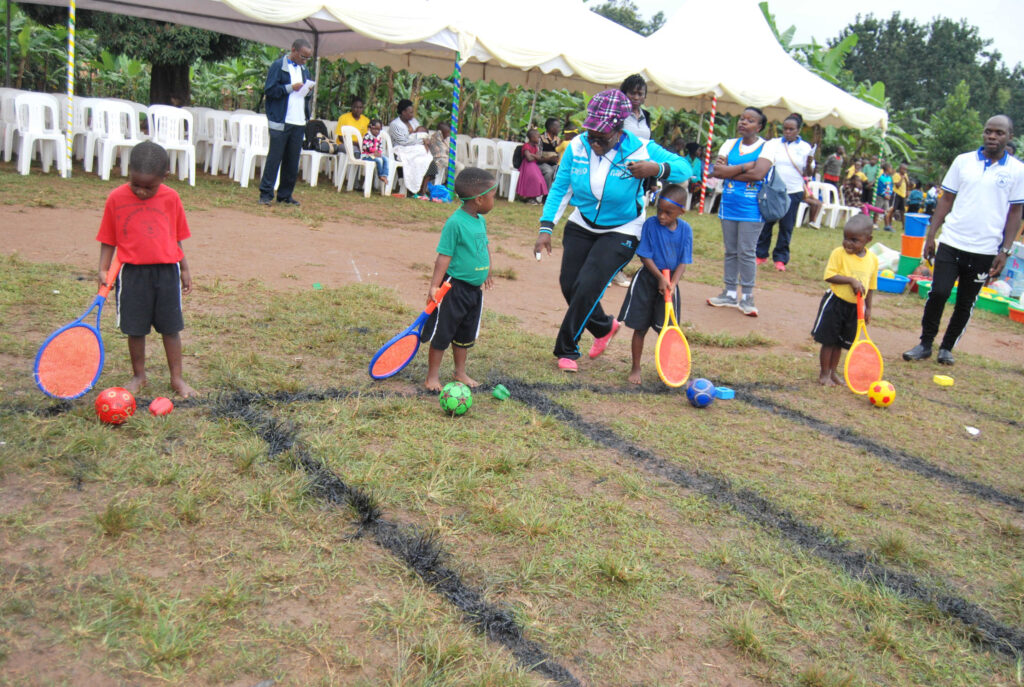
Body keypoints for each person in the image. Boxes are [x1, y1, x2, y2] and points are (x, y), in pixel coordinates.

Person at [533, 89, 692, 372]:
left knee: (588, 285)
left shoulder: (641, 148)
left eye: (601, 137)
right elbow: (560, 188)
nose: (594, 142)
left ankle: (566, 348)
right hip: (582, 223)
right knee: (570, 285)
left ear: (618, 130)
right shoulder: (577, 147)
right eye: (591, 134)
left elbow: (685, 169)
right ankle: (605, 327)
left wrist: (656, 168)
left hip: (623, 228)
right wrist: (547, 227)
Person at [903, 114, 1024, 366]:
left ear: (1009, 136)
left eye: (999, 133)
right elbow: (946, 199)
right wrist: (931, 234)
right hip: (952, 241)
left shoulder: (1017, 171)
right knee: (938, 292)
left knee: (966, 302)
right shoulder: (963, 161)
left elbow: (1015, 213)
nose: (992, 136)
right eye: (988, 131)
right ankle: (925, 343)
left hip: (986, 248)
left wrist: (1005, 250)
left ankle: (946, 348)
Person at [95, 142, 196, 398]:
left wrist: (184, 268)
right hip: (132, 275)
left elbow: (176, 236)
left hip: (167, 273)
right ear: (128, 172)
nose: (140, 191)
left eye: (148, 187)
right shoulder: (116, 198)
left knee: (171, 328)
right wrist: (103, 268)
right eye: (135, 184)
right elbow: (108, 238)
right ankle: (139, 376)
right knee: (135, 329)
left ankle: (177, 379)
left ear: (165, 177)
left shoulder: (171, 198)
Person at [421, 167, 497, 391]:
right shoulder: (455, 223)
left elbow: (484, 247)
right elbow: (443, 257)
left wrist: (488, 270)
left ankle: (460, 372)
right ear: (479, 199)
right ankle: (432, 376)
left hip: (474, 291)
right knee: (443, 332)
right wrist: (434, 286)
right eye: (493, 197)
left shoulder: (479, 220)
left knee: (465, 333)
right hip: (452, 288)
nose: (495, 201)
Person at [617, 184, 693, 385]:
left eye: (668, 213)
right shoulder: (650, 225)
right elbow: (644, 255)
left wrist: (673, 282)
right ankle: (636, 366)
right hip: (647, 280)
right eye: (659, 210)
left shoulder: (686, 230)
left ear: (681, 212)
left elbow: (684, 260)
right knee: (639, 328)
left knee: (667, 330)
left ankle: (667, 367)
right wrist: (660, 277)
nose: (662, 216)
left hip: (670, 285)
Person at [706, 106, 772, 316]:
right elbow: (717, 171)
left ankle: (747, 296)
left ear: (759, 126)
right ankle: (730, 292)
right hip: (729, 205)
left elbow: (760, 174)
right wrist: (746, 167)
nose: (744, 123)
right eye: (742, 119)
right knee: (731, 250)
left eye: (750, 120)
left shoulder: (766, 147)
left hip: (752, 208)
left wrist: (730, 172)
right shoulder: (729, 144)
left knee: (747, 251)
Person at [811, 215, 877, 386]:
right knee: (829, 340)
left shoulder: (873, 260)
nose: (848, 243)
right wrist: (851, 280)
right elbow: (829, 275)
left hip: (855, 307)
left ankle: (833, 373)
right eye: (845, 238)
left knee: (840, 342)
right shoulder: (838, 254)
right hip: (835, 303)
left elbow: (870, 287)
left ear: (868, 240)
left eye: (854, 240)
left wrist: (868, 309)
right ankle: (824, 374)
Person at [757, 113, 818, 272]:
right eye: (785, 129)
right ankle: (761, 254)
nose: (788, 132)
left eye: (791, 129)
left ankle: (780, 259)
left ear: (798, 130)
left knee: (786, 226)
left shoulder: (805, 147)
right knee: (767, 222)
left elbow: (809, 172)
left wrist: (810, 163)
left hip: (794, 190)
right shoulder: (773, 143)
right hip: (773, 189)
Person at [259, 38, 313, 207]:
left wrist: (307, 90)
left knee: (292, 161)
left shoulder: (305, 70)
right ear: (293, 50)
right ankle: (266, 194)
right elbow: (270, 90)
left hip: (298, 121)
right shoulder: (278, 66)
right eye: (303, 56)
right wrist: (290, 87)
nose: (304, 61)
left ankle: (285, 195)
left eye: (307, 58)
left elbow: (305, 96)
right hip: (281, 121)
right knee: (274, 159)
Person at [388, 98, 436, 198]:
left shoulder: (414, 122)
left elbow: (422, 133)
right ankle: (413, 189)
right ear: (403, 112)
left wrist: (424, 140)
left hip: (415, 150)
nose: (412, 115)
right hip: (401, 150)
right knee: (420, 160)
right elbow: (403, 142)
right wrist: (422, 141)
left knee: (428, 160)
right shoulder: (395, 125)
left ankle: (422, 190)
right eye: (410, 112)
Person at [516, 128, 548, 203]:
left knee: (540, 179)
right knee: (534, 178)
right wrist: (534, 156)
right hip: (527, 165)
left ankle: (533, 197)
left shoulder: (536, 147)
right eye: (538, 137)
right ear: (532, 137)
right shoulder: (526, 146)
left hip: (534, 166)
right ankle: (528, 197)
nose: (539, 138)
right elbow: (529, 158)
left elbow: (539, 157)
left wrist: (532, 154)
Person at [361, 118, 388, 186]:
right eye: (375, 129)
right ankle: (380, 175)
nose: (377, 131)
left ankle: (384, 174)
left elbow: (380, 147)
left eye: (379, 130)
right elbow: (364, 147)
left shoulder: (379, 137)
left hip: (375, 155)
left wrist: (379, 152)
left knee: (385, 159)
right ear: (370, 128)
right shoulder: (367, 136)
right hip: (367, 155)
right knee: (378, 161)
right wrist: (373, 152)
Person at [538, 118, 562, 187]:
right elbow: (538, 156)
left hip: (554, 164)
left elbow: (559, 155)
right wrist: (549, 159)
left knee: (560, 171)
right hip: (542, 163)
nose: (559, 129)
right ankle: (546, 194)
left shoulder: (558, 140)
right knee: (549, 171)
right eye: (558, 127)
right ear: (551, 128)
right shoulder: (540, 138)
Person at [887, 162, 909, 230]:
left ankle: (904, 226)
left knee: (903, 211)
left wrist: (905, 179)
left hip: (902, 195)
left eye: (906, 170)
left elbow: (908, 184)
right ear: (900, 169)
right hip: (896, 194)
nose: (905, 171)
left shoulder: (905, 175)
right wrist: (902, 178)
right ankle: (889, 224)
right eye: (904, 169)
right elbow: (897, 185)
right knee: (892, 210)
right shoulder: (896, 175)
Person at [875, 162, 894, 230]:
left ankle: (887, 225)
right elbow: (880, 187)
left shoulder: (889, 178)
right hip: (880, 197)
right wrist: (884, 194)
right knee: (877, 210)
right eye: (891, 168)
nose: (892, 170)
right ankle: (875, 224)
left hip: (887, 197)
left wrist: (889, 194)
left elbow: (891, 186)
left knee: (887, 211)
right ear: (887, 169)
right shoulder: (881, 178)